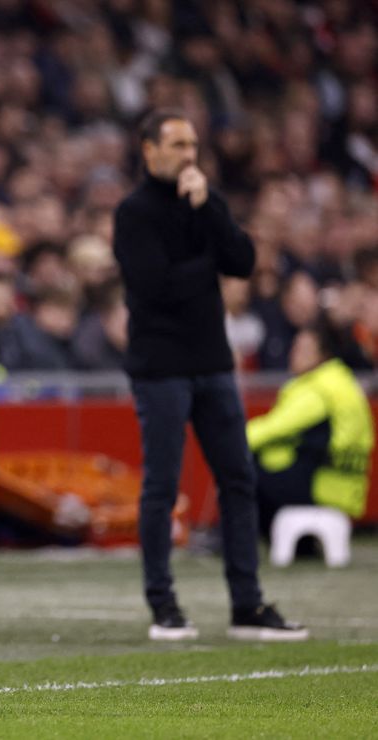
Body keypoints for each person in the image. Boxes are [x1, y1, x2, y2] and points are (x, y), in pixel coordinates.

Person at [113, 109, 308, 642]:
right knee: (162, 485)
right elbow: (158, 287)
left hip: (213, 363)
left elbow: (243, 261)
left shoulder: (204, 202)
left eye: (193, 145)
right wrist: (206, 251)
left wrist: (209, 214)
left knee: (239, 479)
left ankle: (247, 605)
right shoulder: (133, 213)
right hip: (160, 368)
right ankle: (163, 605)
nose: (190, 155)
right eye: (177, 145)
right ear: (149, 150)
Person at [247, 322, 374, 533]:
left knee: (243, 471)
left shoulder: (319, 388)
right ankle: (299, 545)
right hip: (346, 486)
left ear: (323, 355)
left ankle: (231, 539)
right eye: (295, 346)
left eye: (304, 349)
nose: (294, 353)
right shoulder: (340, 381)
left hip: (322, 484)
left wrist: (232, 441)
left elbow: (275, 427)